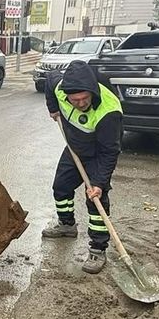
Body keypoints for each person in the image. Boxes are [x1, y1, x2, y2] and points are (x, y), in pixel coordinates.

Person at [42, 60, 123, 274]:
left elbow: (110, 152)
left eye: (85, 98)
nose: (80, 103)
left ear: (92, 91)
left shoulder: (109, 110)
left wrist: (98, 182)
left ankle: (98, 249)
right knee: (61, 187)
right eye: (75, 100)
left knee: (95, 200)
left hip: (98, 153)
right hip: (75, 148)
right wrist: (53, 108)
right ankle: (67, 225)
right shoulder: (60, 88)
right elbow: (50, 81)